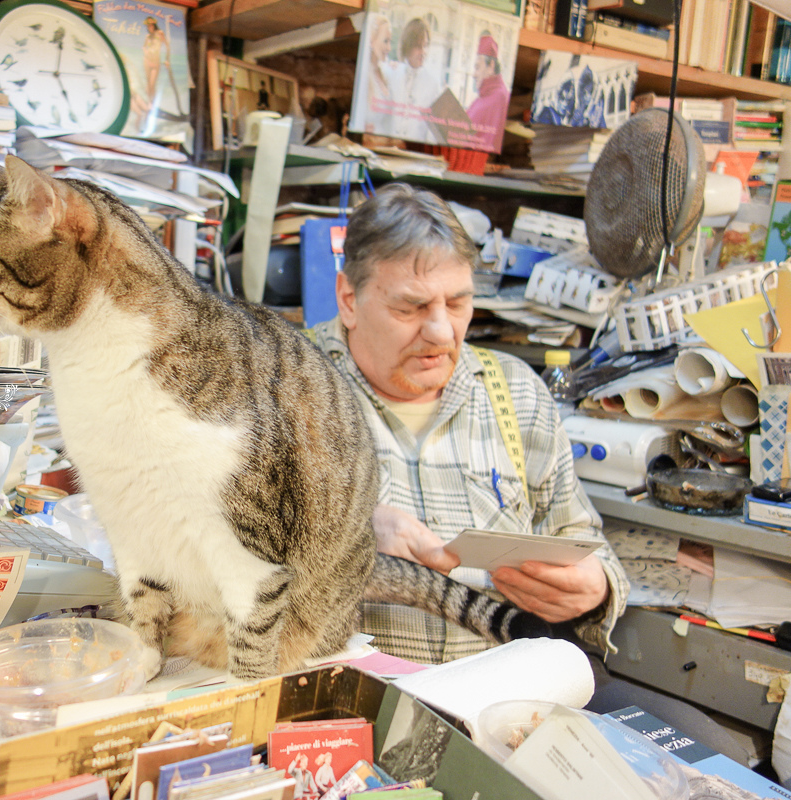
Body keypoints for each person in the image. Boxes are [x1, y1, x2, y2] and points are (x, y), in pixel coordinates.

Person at [310, 182, 751, 765]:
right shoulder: (289, 387)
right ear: (348, 297)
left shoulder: (517, 391)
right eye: (410, 307)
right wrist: (348, 534)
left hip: (522, 695)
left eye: (459, 303)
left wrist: (593, 592)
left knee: (714, 759)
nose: (442, 332)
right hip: (365, 703)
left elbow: (585, 544)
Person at [385, 18, 444, 143]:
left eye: (426, 46)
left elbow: (433, 132)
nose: (423, 52)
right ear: (408, 45)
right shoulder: (393, 74)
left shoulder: (433, 84)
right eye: (418, 46)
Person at [465, 33, 510, 151]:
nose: (474, 74)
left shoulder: (499, 97)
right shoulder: (485, 96)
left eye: (477, 67)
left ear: (491, 66)